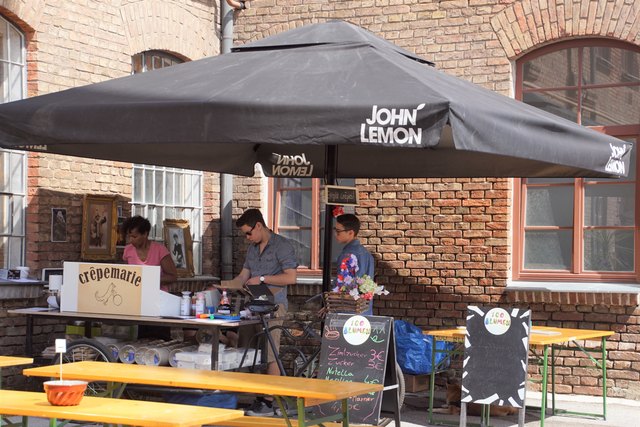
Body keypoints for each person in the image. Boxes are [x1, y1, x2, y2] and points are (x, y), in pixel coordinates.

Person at [233, 208, 297, 417]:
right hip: (252, 306)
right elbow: (243, 276)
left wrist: (262, 279)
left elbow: (291, 278)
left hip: (274, 306)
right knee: (247, 350)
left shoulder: (282, 245)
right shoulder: (252, 249)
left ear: (259, 226)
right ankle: (254, 396)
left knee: (271, 353)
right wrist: (225, 286)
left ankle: (269, 402)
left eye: (248, 233)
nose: (247, 238)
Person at [334, 213, 375, 315]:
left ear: (350, 233)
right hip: (365, 310)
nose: (335, 234)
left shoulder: (348, 255)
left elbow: (342, 286)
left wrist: (331, 305)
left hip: (348, 311)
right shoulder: (366, 254)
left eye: (338, 231)